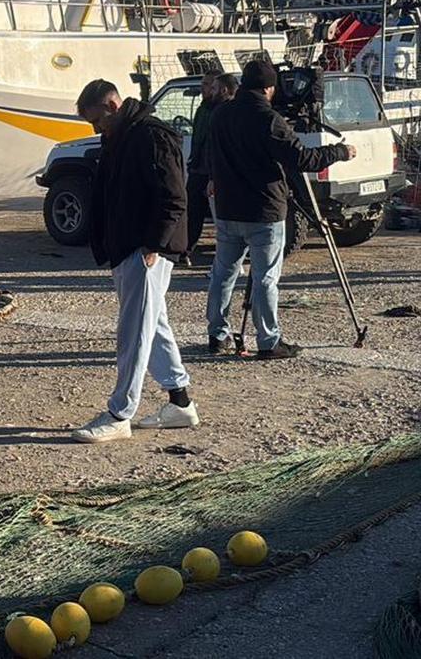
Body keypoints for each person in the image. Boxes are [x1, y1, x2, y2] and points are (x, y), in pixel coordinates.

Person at [71, 79, 197, 444]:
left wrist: (153, 245)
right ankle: (180, 402)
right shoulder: (121, 135)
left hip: (146, 250)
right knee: (153, 325)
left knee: (134, 333)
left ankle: (120, 412)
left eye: (96, 121)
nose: (95, 129)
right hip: (128, 247)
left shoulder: (151, 135)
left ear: (112, 105)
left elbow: (174, 195)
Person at [206, 60, 355, 359]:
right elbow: (302, 160)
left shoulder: (220, 114)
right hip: (264, 211)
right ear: (269, 88)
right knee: (265, 278)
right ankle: (268, 341)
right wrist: (339, 152)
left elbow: (211, 154)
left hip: (227, 208)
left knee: (223, 273)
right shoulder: (269, 119)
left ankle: (217, 335)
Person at [182, 69, 223, 266]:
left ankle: (226, 257)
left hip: (214, 171)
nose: (204, 89)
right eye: (204, 84)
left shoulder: (222, 110)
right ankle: (185, 251)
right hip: (198, 168)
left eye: (208, 85)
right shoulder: (202, 109)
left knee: (220, 217)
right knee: (192, 212)